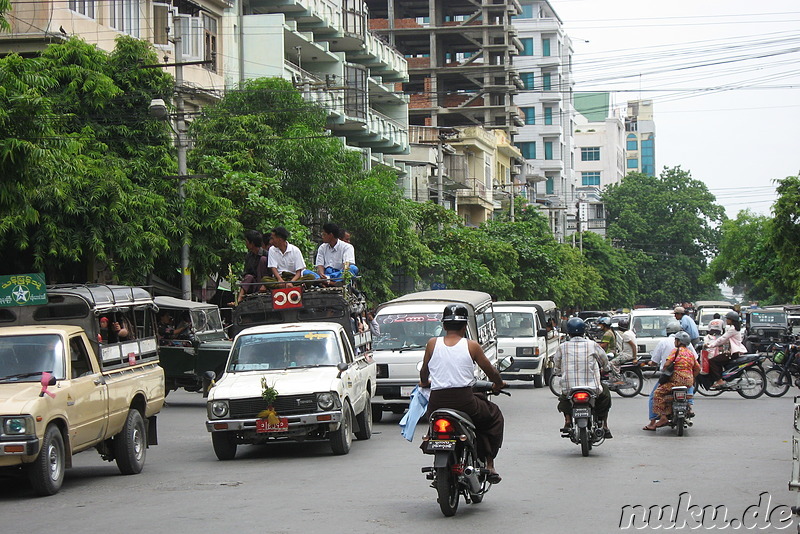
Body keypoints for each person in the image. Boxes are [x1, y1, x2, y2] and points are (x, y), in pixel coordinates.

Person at [419, 304, 506, 483]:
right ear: (465, 326)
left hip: (437, 403)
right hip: (465, 402)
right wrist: (498, 384)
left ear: (444, 326)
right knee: (493, 415)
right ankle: (489, 463)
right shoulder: (472, 346)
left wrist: (424, 383)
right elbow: (491, 372)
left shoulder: (432, 343)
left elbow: (424, 371)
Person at [553, 317, 613, 438]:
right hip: (592, 387)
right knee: (605, 396)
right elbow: (604, 360)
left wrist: (558, 371)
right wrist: (606, 369)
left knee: (564, 398)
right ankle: (603, 424)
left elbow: (557, 365)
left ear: (568, 332)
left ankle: (568, 420)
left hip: (570, 388)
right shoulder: (593, 345)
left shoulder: (562, 347)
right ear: (583, 331)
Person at [643, 321, 698, 430]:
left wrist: (664, 369)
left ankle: (655, 421)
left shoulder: (672, 348)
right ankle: (689, 406)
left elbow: (663, 363)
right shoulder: (690, 350)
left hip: (673, 379)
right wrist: (692, 377)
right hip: (688, 381)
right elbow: (697, 366)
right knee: (689, 388)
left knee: (655, 394)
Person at [705, 310, 746, 388]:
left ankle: (719, 381)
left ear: (731, 320)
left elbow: (723, 338)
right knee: (718, 361)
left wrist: (711, 345)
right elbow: (725, 340)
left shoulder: (732, 329)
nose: (726, 320)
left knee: (713, 361)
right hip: (732, 352)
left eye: (727, 319)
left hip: (732, 353)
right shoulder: (734, 328)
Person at [232, 230, 267, 304]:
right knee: (248, 277)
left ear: (252, 243)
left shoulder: (266, 254)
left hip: (264, 283)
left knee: (263, 260)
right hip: (253, 284)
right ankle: (239, 300)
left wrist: (265, 284)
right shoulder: (249, 256)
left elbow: (270, 273)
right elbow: (247, 272)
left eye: (247, 241)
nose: (246, 244)